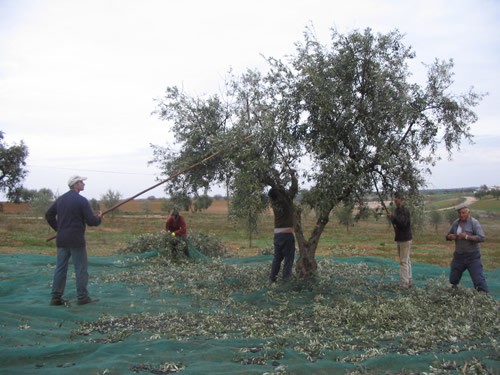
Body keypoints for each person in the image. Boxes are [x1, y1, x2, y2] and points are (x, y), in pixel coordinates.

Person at [45, 175, 103, 306]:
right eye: (81, 182)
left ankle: (55, 298)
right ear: (75, 184)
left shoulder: (61, 199)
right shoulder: (81, 201)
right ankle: (82, 297)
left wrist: (59, 229)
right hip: (76, 240)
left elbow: (48, 215)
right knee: (81, 269)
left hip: (62, 240)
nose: (84, 184)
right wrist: (99, 217)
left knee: (60, 268)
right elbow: (91, 221)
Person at [445, 205, 488, 293]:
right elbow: (447, 236)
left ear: (468, 212)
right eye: (459, 213)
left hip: (472, 257)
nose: (461, 215)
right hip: (458, 256)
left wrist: (467, 236)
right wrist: (450, 237)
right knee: (453, 279)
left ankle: (484, 299)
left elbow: (481, 238)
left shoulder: (474, 223)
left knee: (478, 280)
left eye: (463, 212)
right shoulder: (456, 223)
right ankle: (452, 296)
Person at [268, 169, 298, 283]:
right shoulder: (285, 202)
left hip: (277, 236)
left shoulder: (274, 202)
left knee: (277, 258)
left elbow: (278, 191)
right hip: (286, 235)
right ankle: (286, 281)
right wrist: (292, 175)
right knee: (288, 259)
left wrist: (277, 178)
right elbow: (294, 189)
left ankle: (272, 279)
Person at [387, 191, 413, 289]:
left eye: (397, 198)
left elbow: (403, 223)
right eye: (395, 198)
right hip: (402, 238)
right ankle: (409, 281)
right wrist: (393, 219)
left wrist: (393, 218)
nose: (395, 199)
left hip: (404, 239)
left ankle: (404, 284)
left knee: (403, 262)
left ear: (402, 199)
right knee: (407, 260)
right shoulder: (398, 210)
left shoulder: (404, 210)